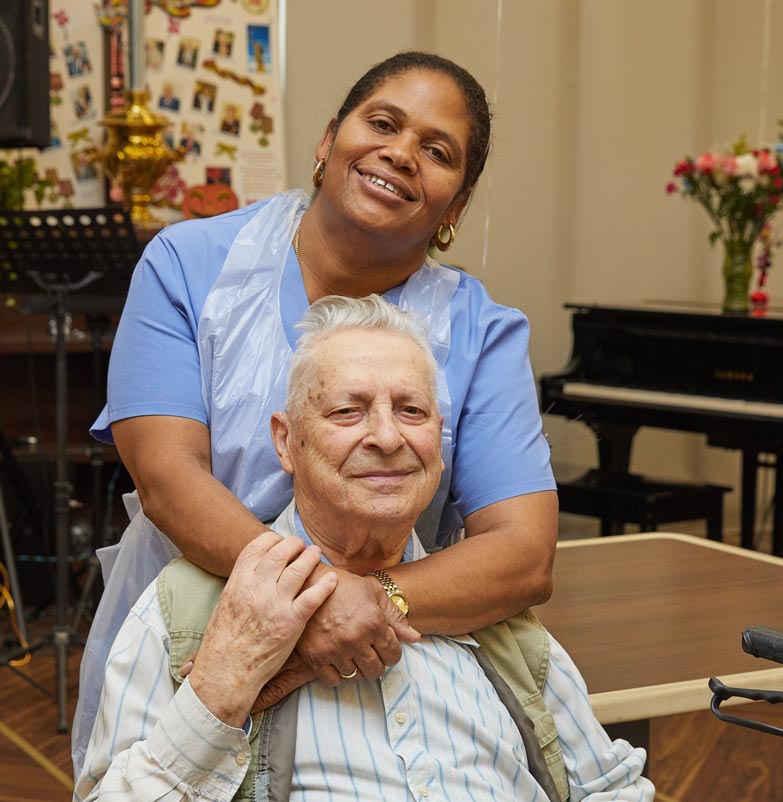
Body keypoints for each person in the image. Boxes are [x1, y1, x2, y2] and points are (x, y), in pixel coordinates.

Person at [72, 51, 558, 771]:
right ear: (328, 140)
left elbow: (523, 554)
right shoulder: (187, 263)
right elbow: (167, 477)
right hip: (187, 643)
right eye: (383, 123)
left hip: (375, 662)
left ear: (455, 206)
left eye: (437, 150)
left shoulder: (481, 334)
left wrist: (373, 599)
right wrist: (311, 602)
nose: (401, 153)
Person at [75, 297, 653, 802]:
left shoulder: (496, 623)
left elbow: (609, 787)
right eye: (347, 411)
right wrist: (221, 691)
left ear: (439, 443)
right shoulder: (189, 613)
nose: (386, 436)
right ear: (287, 442)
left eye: (412, 411)